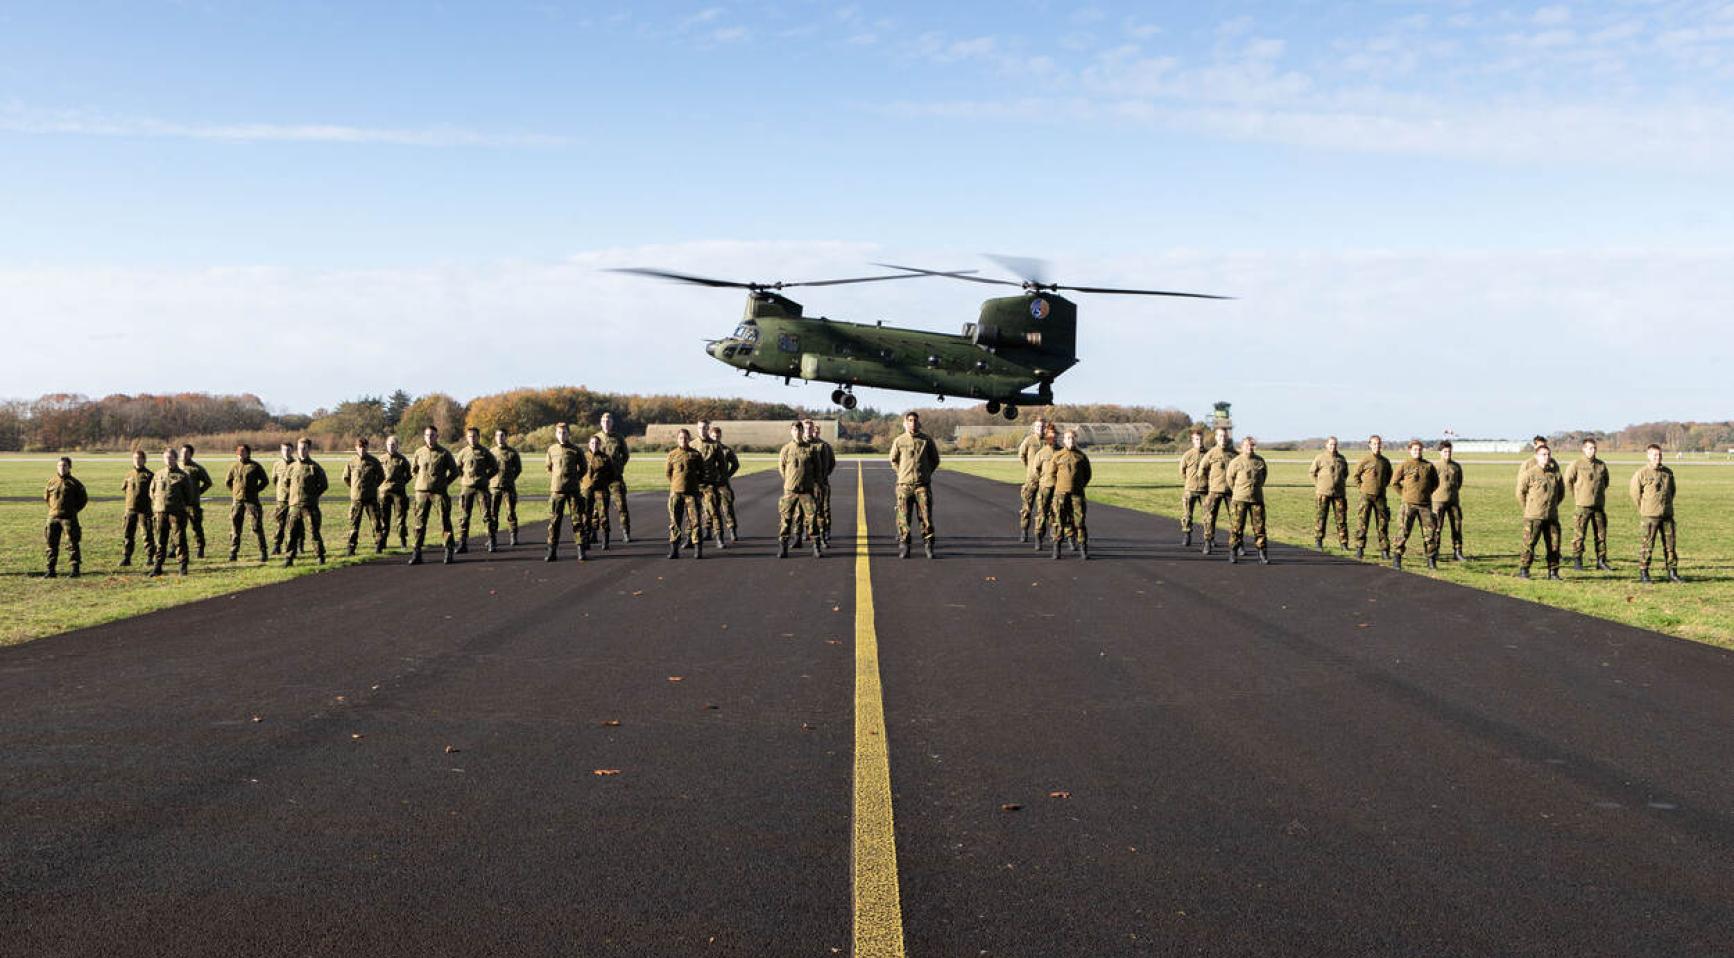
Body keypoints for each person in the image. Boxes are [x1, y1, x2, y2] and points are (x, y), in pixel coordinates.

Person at [888, 410, 940, 559]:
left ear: (919, 423)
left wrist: (926, 474)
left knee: (926, 518)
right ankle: (905, 545)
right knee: (903, 517)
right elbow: (893, 460)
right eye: (910, 420)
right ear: (905, 423)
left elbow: (935, 460)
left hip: (922, 486)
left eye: (915, 420)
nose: (913, 423)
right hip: (904, 486)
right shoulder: (899, 441)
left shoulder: (926, 440)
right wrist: (902, 474)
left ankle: (929, 545)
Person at [409, 425, 461, 565]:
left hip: (439, 493)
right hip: (421, 494)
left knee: (444, 522)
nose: (430, 438)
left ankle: (448, 550)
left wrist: (444, 483)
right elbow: (413, 470)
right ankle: (417, 552)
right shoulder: (419, 452)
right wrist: (421, 481)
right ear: (424, 437)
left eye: (432, 435)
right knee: (419, 523)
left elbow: (455, 472)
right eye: (427, 435)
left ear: (437, 437)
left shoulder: (444, 453)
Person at [1629, 444, 1681, 584]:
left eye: (1659, 455)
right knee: (1647, 545)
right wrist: (1645, 507)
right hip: (1650, 516)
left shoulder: (1668, 473)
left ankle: (1672, 572)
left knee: (1670, 546)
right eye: (1655, 455)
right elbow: (1635, 494)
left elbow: (1672, 491)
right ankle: (1644, 572)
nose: (1658, 458)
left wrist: (1666, 506)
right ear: (1648, 456)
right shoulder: (1642, 473)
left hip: (1667, 515)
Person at [1515, 443, 1565, 579]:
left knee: (1554, 545)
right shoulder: (1530, 474)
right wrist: (1529, 507)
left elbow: (1561, 493)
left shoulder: (1555, 474)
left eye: (1548, 454)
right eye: (1543, 455)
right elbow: (1520, 493)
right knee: (1529, 544)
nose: (1547, 457)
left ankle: (1553, 572)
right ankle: (1524, 569)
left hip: (1551, 516)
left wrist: (1553, 506)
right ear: (1537, 456)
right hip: (1533, 516)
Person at [1563, 438, 1613, 571]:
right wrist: (1578, 494)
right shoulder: (1577, 464)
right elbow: (1568, 481)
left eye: (1594, 448)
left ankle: (1601, 561)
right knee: (1579, 535)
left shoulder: (1601, 465)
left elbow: (1605, 482)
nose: (1592, 451)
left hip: (1598, 506)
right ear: (1583, 449)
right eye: (1589, 448)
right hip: (1582, 506)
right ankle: (1578, 561)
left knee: (1601, 535)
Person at [1389, 439, 1440, 570]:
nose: (1417, 451)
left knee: (1429, 534)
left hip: (1425, 505)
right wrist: (1404, 494)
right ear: (1410, 450)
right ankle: (1397, 558)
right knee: (1403, 532)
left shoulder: (1428, 466)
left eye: (1419, 449)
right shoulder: (1404, 465)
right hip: (1408, 505)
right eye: (1414, 449)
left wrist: (1426, 493)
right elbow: (1394, 482)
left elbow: (1435, 483)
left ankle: (1431, 560)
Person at [545, 422, 589, 562]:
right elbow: (549, 467)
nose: (562, 435)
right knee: (554, 522)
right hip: (557, 491)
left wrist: (575, 478)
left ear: (569, 434)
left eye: (564, 433)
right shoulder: (551, 450)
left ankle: (581, 550)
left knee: (577, 522)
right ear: (556, 434)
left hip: (573, 491)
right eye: (559, 433)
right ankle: (552, 551)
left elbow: (583, 468)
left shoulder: (576, 450)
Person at [777, 421, 821, 559]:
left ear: (803, 432)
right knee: (786, 519)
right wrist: (790, 481)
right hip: (790, 491)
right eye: (795, 430)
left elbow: (818, 469)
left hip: (807, 491)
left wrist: (816, 484)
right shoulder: (786, 449)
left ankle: (816, 547)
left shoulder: (811, 448)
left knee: (812, 519)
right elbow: (782, 468)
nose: (797, 432)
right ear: (791, 431)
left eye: (799, 430)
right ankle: (783, 547)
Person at [1224, 435, 1270, 565]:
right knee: (1236, 527)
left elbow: (1263, 477)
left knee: (1259, 528)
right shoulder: (1236, 462)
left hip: (1256, 499)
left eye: (1251, 445)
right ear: (1242, 447)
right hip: (1240, 499)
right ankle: (1233, 551)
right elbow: (1230, 479)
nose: (1249, 448)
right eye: (1246, 445)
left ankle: (1262, 553)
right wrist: (1239, 491)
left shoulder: (1260, 461)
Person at [283, 438, 329, 566]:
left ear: (309, 450)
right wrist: (293, 496)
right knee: (292, 533)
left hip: (309, 506)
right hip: (294, 506)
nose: (301, 451)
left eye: (304, 448)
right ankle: (289, 558)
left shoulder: (314, 467)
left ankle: (319, 556)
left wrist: (313, 495)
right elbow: (286, 484)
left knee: (314, 532)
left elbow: (324, 485)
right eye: (299, 449)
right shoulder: (292, 467)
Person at [149, 448, 193, 577]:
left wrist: (179, 505)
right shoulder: (158, 475)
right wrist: (158, 505)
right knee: (161, 540)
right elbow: (152, 492)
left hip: (177, 513)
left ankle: (183, 566)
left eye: (171, 457)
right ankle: (158, 567)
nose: (168, 460)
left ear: (176, 458)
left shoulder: (183, 476)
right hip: (161, 512)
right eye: (166, 457)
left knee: (179, 539)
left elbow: (188, 496)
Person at [455, 426, 499, 554]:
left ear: (478, 437)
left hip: (482, 488)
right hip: (467, 488)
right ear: (466, 438)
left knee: (487, 515)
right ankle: (463, 543)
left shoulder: (485, 452)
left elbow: (495, 467)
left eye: (474, 436)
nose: (472, 439)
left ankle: (491, 541)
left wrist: (486, 477)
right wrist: (464, 478)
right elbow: (457, 468)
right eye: (469, 436)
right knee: (464, 516)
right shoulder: (463, 452)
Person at [1049, 429, 1092, 560]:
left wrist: (1079, 485)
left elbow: (1087, 475)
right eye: (1068, 438)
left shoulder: (1081, 456)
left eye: (1073, 438)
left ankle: (1083, 548)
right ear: (1064, 440)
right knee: (1059, 521)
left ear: (1076, 439)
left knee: (1079, 521)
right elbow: (1052, 474)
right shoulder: (1058, 456)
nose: (1070, 440)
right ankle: (1057, 548)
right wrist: (1059, 487)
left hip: (1077, 494)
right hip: (1061, 494)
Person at [224, 443, 270, 563]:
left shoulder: (255, 466)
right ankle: (233, 552)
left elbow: (265, 481)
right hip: (238, 501)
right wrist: (235, 492)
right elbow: (228, 482)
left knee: (257, 526)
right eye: (238, 453)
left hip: (252, 501)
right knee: (235, 527)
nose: (240, 455)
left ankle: (263, 551)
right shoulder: (234, 467)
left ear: (248, 453)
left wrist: (255, 490)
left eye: (243, 452)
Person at [43, 456, 87, 578]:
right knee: (51, 544)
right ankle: (51, 570)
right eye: (60, 466)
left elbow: (83, 500)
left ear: (69, 467)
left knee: (72, 544)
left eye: (64, 466)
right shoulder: (51, 482)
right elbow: (47, 497)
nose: (62, 468)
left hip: (69, 519)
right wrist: (53, 510)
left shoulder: (75, 483)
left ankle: (75, 570)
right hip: (53, 518)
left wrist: (72, 511)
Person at [1351, 435, 1393, 560]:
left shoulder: (1385, 461)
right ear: (1370, 445)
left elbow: (1388, 476)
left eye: (1379, 444)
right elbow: (1355, 476)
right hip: (1366, 496)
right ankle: (1359, 548)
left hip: (1380, 497)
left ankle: (1385, 550)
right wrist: (1362, 488)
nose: (1377, 446)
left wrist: (1381, 487)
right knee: (1362, 523)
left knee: (1382, 524)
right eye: (1374, 444)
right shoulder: (1365, 460)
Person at [665, 428, 704, 559]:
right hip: (676, 493)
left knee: (695, 522)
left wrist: (693, 484)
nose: (683, 440)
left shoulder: (696, 455)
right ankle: (674, 549)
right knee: (675, 522)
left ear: (689, 439)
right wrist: (676, 484)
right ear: (677, 439)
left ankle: (697, 548)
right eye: (681, 438)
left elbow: (702, 473)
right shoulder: (672, 455)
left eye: (686, 438)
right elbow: (668, 473)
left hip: (692, 494)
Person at [592, 412, 632, 542]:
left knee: (621, 505)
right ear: (600, 422)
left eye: (608, 420)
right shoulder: (596, 437)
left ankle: (626, 531)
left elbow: (625, 455)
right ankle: (594, 532)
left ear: (612, 423)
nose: (606, 423)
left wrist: (619, 467)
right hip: (600, 478)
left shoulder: (618, 437)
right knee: (598, 507)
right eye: (604, 420)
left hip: (615, 477)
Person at [341, 437, 385, 555]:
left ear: (367, 447)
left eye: (364, 446)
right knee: (354, 524)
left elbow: (381, 477)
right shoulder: (351, 462)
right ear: (356, 447)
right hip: (356, 499)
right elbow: (346, 477)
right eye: (359, 447)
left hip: (371, 498)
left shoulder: (374, 461)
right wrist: (354, 487)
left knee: (376, 523)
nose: (362, 449)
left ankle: (379, 545)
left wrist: (373, 486)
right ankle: (351, 547)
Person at [1308, 436, 1349, 550]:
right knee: (1321, 518)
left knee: (1341, 519)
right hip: (1323, 493)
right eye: (1331, 444)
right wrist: (1319, 485)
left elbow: (1345, 473)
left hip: (1339, 494)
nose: (1333, 447)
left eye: (1335, 444)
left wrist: (1339, 483)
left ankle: (1344, 543)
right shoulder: (1320, 458)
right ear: (1326, 445)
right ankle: (1318, 541)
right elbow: (1312, 473)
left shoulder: (1341, 459)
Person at [1198, 425, 1234, 554]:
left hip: (1231, 492)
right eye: (1220, 436)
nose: (1222, 438)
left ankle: (1237, 544)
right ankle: (1208, 542)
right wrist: (1206, 486)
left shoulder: (1234, 454)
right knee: (1209, 517)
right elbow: (1201, 470)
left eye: (1224, 436)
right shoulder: (1211, 453)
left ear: (1228, 437)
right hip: (1214, 491)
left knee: (1236, 519)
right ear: (1216, 438)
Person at [119, 449, 157, 568]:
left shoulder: (149, 475)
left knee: (147, 534)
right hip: (130, 510)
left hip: (144, 510)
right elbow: (124, 489)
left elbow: (155, 492)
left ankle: (150, 557)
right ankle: (127, 557)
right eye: (135, 458)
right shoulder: (129, 474)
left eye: (140, 458)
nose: (137, 460)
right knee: (128, 534)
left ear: (144, 460)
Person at [176, 443, 213, 560]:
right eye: (182, 452)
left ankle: (200, 548)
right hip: (179, 503)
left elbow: (208, 482)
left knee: (196, 527)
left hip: (192, 504)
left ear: (191, 454)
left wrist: (197, 493)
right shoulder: (176, 467)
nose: (184, 454)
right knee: (177, 528)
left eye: (186, 452)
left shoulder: (196, 468)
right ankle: (175, 548)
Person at [694, 418, 727, 548]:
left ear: (708, 429)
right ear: (697, 429)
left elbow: (722, 466)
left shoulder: (714, 445)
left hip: (709, 484)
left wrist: (719, 479)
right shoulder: (692, 444)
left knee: (713, 510)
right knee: (693, 513)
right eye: (700, 428)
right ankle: (692, 539)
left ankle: (719, 537)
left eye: (705, 428)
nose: (702, 430)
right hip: (695, 484)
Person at [806, 418, 837, 548]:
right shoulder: (804, 445)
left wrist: (822, 477)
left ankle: (824, 534)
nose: (813, 432)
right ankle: (808, 532)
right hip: (806, 485)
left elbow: (830, 464)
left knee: (822, 510)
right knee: (807, 511)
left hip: (821, 483)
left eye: (813, 429)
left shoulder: (824, 446)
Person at [1432, 441, 1465, 561]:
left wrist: (1453, 493)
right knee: (1436, 527)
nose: (1448, 453)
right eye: (1445, 451)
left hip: (1453, 501)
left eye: (1449, 451)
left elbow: (1459, 482)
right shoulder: (1435, 466)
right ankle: (1434, 551)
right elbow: (1430, 483)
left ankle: (1457, 551)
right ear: (1440, 452)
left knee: (1457, 526)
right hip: (1438, 501)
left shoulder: (1456, 466)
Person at [1018, 416, 1050, 542]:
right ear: (1034, 427)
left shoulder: (1049, 441)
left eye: (1042, 427)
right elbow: (1021, 455)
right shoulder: (1029, 440)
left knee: (1044, 508)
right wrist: (1029, 468)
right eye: (1037, 426)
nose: (1040, 429)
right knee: (1027, 506)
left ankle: (1040, 535)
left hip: (1045, 480)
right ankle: (1024, 530)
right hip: (1031, 479)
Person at [490, 428, 523, 547]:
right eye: (497, 436)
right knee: (493, 514)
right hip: (494, 488)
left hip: (508, 488)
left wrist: (510, 479)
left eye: (502, 435)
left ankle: (513, 535)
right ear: (495, 437)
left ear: (506, 437)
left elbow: (518, 469)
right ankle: (492, 537)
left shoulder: (512, 452)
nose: (500, 438)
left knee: (511, 513)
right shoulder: (491, 452)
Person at [580, 434, 613, 552]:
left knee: (603, 515)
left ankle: (605, 540)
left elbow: (611, 474)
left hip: (601, 489)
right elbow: (578, 472)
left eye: (597, 443)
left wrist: (603, 483)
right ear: (589, 444)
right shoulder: (583, 457)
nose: (594, 445)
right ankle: (586, 539)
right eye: (592, 443)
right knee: (586, 515)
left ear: (600, 445)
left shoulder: (605, 458)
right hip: (587, 489)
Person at [378, 435, 412, 548]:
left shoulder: (402, 459)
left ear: (397, 446)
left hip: (399, 493)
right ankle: (383, 542)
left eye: (393, 445)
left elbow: (409, 475)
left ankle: (403, 541)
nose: (391, 447)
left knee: (401, 518)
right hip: (384, 493)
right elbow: (376, 475)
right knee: (384, 518)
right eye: (389, 445)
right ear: (386, 445)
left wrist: (401, 483)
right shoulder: (381, 459)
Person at [1178, 428, 1209, 548]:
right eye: (1196, 439)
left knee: (1208, 515)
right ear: (1192, 440)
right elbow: (1182, 471)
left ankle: (1208, 537)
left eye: (1200, 439)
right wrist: (1189, 481)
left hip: (1205, 490)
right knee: (1187, 514)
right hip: (1190, 489)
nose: (1199, 441)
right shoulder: (1187, 455)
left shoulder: (1208, 454)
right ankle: (1187, 534)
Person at [709, 426, 741, 542]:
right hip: (710, 484)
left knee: (727, 508)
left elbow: (736, 464)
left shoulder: (726, 450)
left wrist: (727, 475)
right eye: (713, 436)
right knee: (708, 509)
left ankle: (732, 530)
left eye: (717, 436)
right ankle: (708, 531)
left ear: (720, 436)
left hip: (723, 484)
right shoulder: (707, 449)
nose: (715, 438)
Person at [1030, 426, 1059, 551]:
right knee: (1042, 513)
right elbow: (1035, 470)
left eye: (1054, 435)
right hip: (1045, 487)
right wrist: (1041, 480)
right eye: (1050, 436)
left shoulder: (1061, 452)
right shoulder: (1041, 453)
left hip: (1058, 488)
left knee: (1056, 514)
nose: (1052, 438)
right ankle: (1038, 537)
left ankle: (1055, 539)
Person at [270, 442, 296, 555]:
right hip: (281, 499)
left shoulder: (297, 464)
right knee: (280, 523)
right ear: (281, 451)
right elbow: (274, 480)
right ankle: (277, 545)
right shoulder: (277, 464)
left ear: (292, 450)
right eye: (284, 449)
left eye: (288, 449)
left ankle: (296, 545)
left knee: (294, 524)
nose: (286, 452)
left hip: (294, 499)